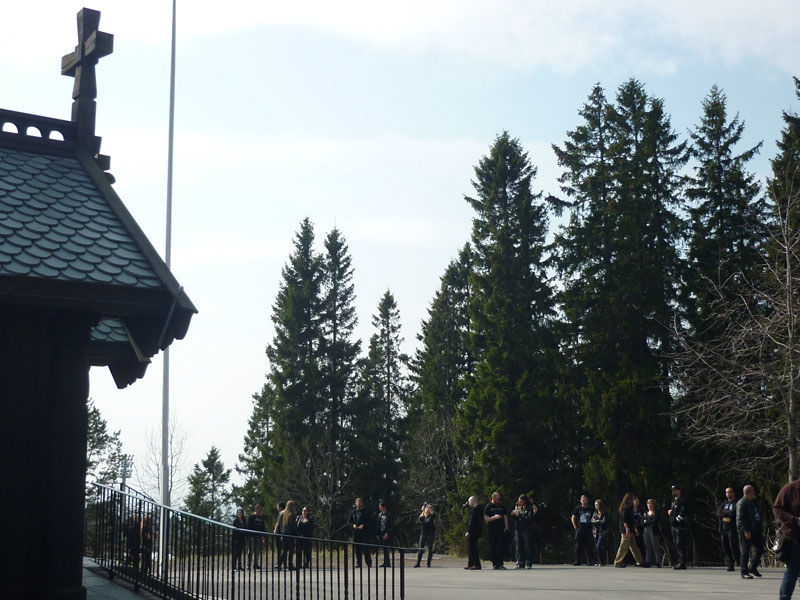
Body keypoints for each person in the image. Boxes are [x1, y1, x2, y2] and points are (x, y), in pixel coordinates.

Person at [773, 478, 800, 599]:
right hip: (794, 537)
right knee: (792, 571)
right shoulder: (790, 489)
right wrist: (795, 520)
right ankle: (784, 598)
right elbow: (777, 509)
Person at [737, 484, 763, 579]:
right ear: (749, 492)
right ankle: (744, 571)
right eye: (753, 491)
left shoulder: (752, 503)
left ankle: (752, 566)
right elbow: (740, 518)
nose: (754, 493)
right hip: (746, 531)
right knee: (745, 551)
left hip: (755, 530)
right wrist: (746, 530)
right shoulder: (742, 503)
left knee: (760, 548)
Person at [613, 492, 644, 567]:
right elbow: (625, 520)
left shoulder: (630, 508)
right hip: (626, 530)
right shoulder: (625, 508)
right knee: (623, 547)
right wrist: (627, 529)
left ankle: (640, 561)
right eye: (632, 499)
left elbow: (631, 520)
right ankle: (618, 562)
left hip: (631, 530)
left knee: (634, 547)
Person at [484, 491, 509, 570]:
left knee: (500, 547)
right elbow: (486, 518)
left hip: (500, 529)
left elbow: (505, 516)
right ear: (493, 498)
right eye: (497, 499)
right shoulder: (488, 506)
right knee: (493, 547)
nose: (499, 500)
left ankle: (500, 563)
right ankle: (495, 564)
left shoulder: (502, 506)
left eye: (499, 499)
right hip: (492, 530)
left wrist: (506, 526)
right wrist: (494, 517)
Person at [718, 487, 740, 572]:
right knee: (725, 546)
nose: (728, 494)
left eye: (730, 492)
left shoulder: (736, 503)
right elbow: (719, 513)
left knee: (733, 546)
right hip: (724, 528)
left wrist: (726, 513)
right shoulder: (724, 503)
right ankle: (730, 564)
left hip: (732, 528)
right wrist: (726, 513)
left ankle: (740, 562)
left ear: (733, 493)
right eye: (726, 492)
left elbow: (733, 513)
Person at [571, 495, 597, 566]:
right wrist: (575, 526)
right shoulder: (578, 508)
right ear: (580, 501)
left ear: (587, 500)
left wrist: (594, 528)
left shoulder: (591, 509)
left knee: (589, 546)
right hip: (580, 529)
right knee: (578, 546)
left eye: (585, 500)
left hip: (588, 529)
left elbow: (594, 518)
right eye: (583, 500)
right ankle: (577, 561)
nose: (584, 501)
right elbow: (573, 517)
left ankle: (590, 561)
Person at [512, 494, 536, 569]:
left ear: (524, 501)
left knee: (527, 546)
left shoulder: (529, 509)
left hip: (527, 529)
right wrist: (514, 515)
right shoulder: (519, 508)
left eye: (521, 501)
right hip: (519, 529)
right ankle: (520, 562)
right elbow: (516, 519)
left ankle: (528, 562)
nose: (519, 502)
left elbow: (529, 519)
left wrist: (519, 515)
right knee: (519, 546)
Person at [668, 485, 688, 569]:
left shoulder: (682, 501)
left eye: (675, 490)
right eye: (672, 491)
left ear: (679, 491)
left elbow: (683, 512)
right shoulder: (673, 501)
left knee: (680, 544)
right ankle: (678, 561)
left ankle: (682, 562)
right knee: (676, 544)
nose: (673, 492)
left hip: (680, 526)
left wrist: (676, 520)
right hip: (673, 525)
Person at [348, 497, 372, 568]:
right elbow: (349, 522)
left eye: (360, 502)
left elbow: (370, 522)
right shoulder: (353, 512)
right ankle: (359, 563)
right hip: (356, 533)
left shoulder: (366, 512)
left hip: (364, 533)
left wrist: (364, 525)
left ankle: (368, 562)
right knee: (357, 549)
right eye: (357, 502)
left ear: (362, 503)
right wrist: (353, 525)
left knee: (366, 548)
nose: (358, 503)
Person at [276, 500, 298, 571]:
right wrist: (297, 533)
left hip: (283, 533)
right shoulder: (292, 514)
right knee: (291, 550)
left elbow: (279, 524)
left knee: (284, 550)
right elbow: (293, 525)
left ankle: (279, 564)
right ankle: (290, 564)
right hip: (290, 534)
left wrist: (279, 533)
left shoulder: (281, 513)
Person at [641, 499, 663, 568]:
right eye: (648, 504)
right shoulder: (645, 513)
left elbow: (655, 521)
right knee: (647, 546)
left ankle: (658, 561)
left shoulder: (656, 513)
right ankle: (648, 561)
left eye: (651, 504)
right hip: (646, 530)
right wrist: (646, 522)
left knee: (655, 546)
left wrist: (647, 521)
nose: (649, 506)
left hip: (653, 530)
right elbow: (641, 522)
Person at [464, 496, 483, 570]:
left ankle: (476, 564)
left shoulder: (476, 510)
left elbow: (471, 522)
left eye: (469, 502)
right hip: (476, 531)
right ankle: (470, 563)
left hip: (473, 531)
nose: (469, 504)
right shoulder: (477, 509)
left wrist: (468, 531)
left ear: (472, 501)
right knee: (470, 547)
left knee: (473, 548)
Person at [415, 503, 436, 568]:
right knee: (420, 548)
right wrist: (423, 510)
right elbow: (420, 518)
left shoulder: (431, 516)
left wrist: (430, 508)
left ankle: (428, 563)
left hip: (430, 534)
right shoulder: (423, 516)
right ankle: (418, 563)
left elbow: (433, 514)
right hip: (423, 534)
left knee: (430, 549)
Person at [247, 504, 266, 569]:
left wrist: (263, 536)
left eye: (261, 509)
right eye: (259, 509)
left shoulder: (262, 517)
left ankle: (256, 564)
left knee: (257, 550)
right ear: (256, 509)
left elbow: (263, 527)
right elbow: (248, 526)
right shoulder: (251, 516)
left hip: (259, 536)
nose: (260, 510)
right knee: (251, 550)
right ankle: (248, 564)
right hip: (252, 535)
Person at [376, 500, 394, 567]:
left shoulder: (389, 515)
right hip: (380, 532)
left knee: (385, 547)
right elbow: (378, 524)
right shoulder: (379, 515)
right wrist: (377, 533)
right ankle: (385, 561)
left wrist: (388, 533)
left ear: (384, 507)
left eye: (381, 507)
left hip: (386, 533)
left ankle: (388, 562)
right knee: (383, 548)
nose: (380, 508)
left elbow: (391, 526)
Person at [591, 499, 609, 566]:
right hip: (596, 531)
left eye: (597, 504)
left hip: (602, 532)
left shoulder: (604, 513)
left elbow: (604, 522)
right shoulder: (595, 513)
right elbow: (592, 521)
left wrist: (597, 521)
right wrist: (598, 521)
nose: (595, 506)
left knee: (599, 546)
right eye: (595, 504)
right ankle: (599, 560)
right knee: (597, 547)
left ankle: (602, 561)